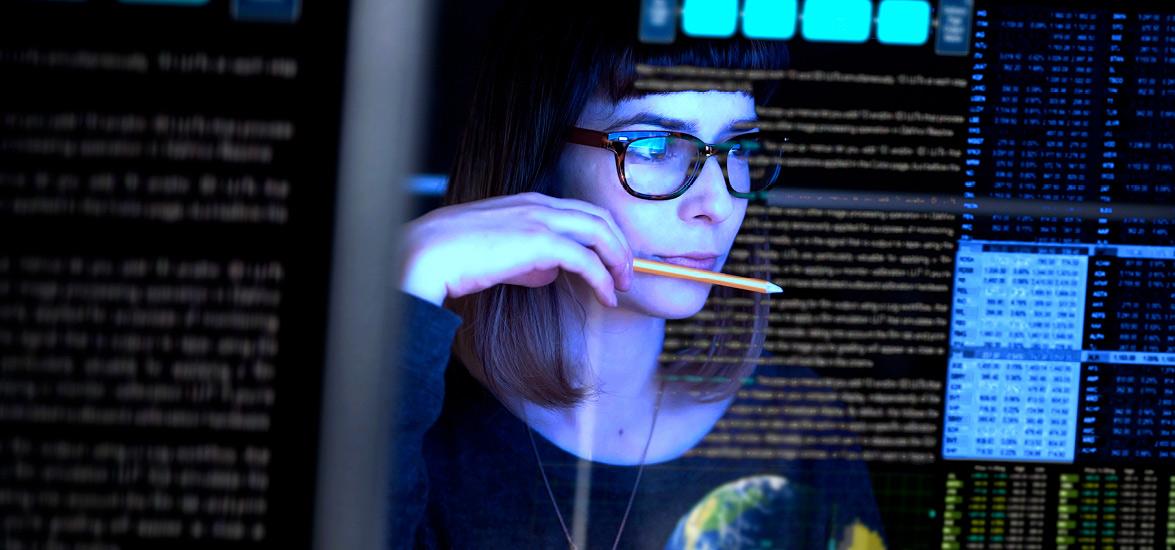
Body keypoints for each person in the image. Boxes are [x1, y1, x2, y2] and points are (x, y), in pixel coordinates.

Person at [390, 2, 885, 548]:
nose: (715, 203)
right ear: (540, 157)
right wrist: (406, 284)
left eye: (738, 147)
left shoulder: (799, 425)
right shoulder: (409, 419)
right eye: (652, 146)